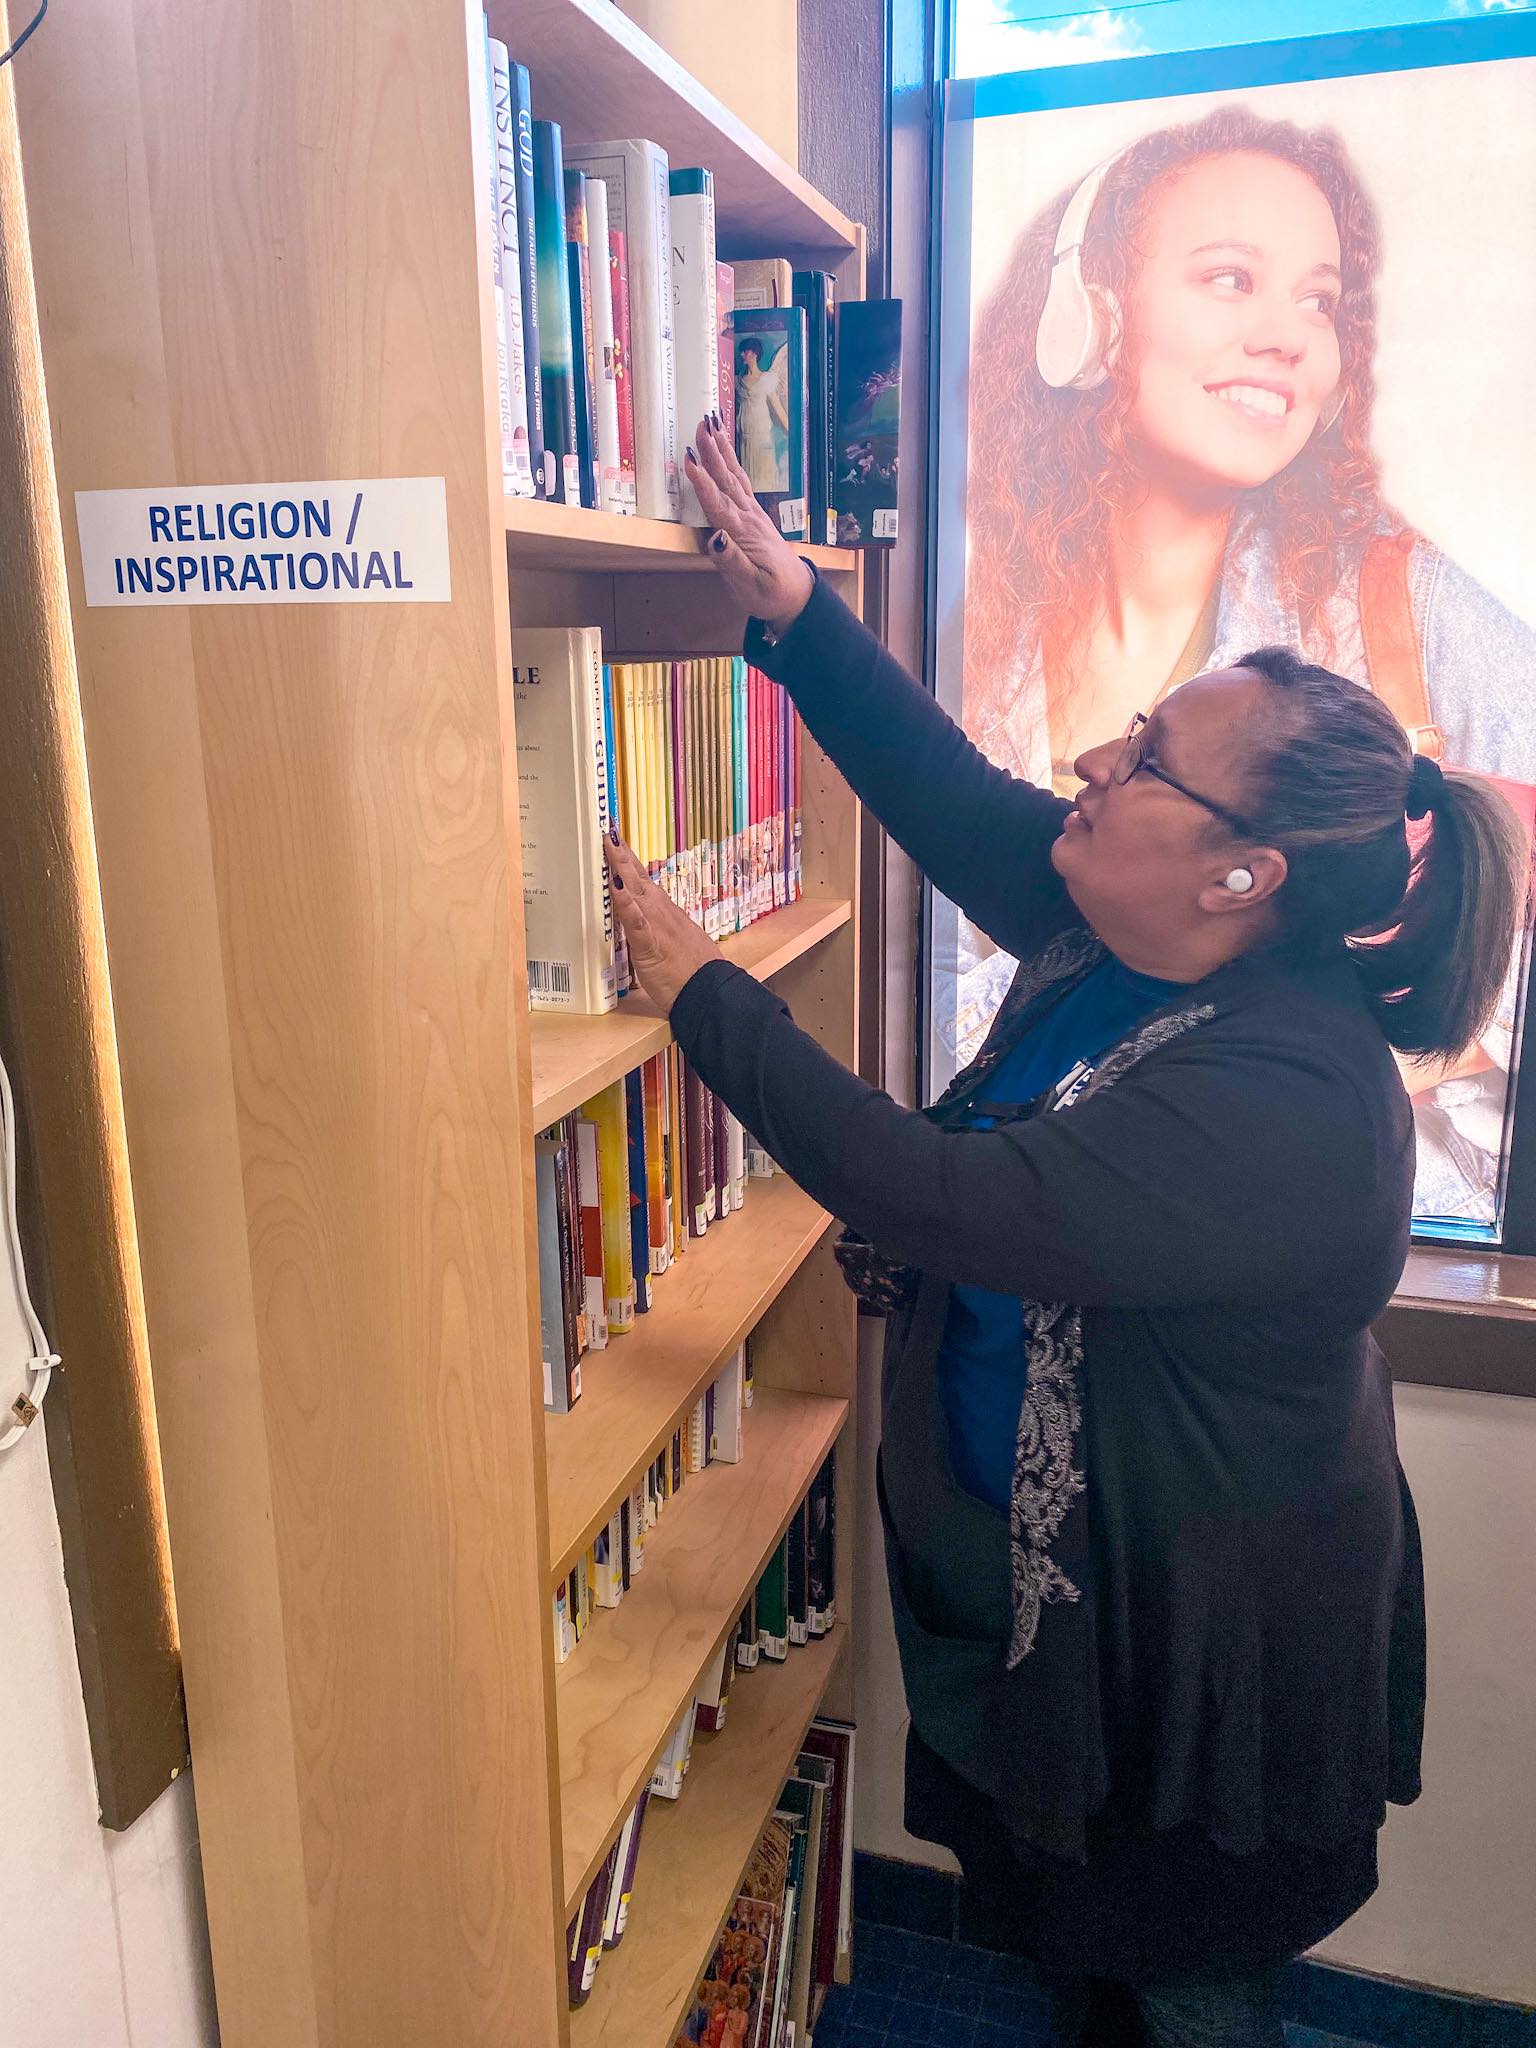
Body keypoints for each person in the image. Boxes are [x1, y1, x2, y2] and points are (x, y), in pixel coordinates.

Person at [605, 418, 1528, 2047]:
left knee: (1181, 1979)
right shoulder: (1130, 930)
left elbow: (937, 1195)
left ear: (1241, 870)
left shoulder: (1292, 1096)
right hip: (1056, 1600)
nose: (1096, 762)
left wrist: (707, 997)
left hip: (1188, 1640)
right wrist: (797, 613)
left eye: (1147, 756)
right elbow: (960, 804)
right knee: (1075, 1947)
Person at [956, 101, 1536, 1226]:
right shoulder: (984, 625)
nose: (1286, 334)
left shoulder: (1399, 605)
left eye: (1317, 300)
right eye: (1230, 278)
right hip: (1031, 1251)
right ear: (1089, 316)